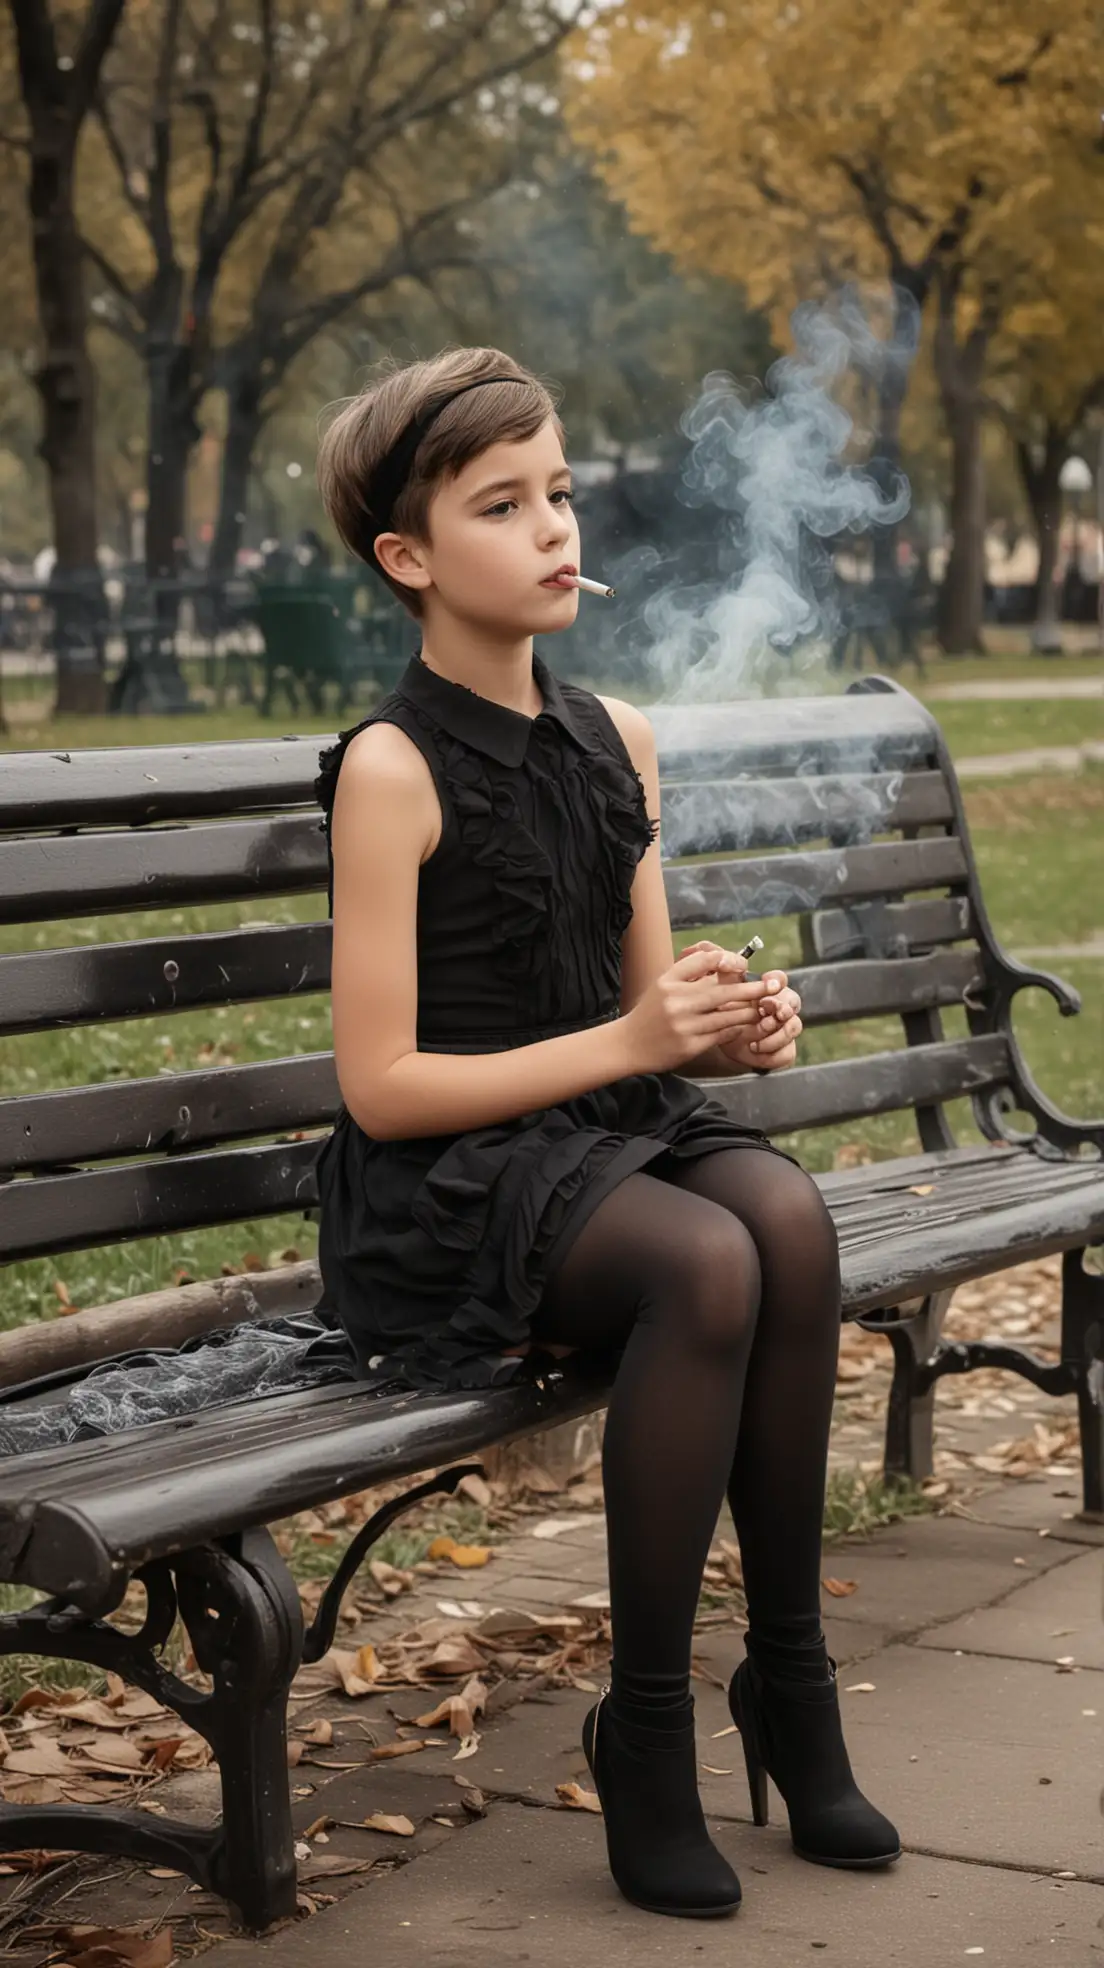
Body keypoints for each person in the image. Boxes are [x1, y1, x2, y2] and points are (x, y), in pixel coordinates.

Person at [312, 348, 899, 1921]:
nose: (556, 527)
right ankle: (645, 1732)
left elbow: (649, 1007)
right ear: (412, 560)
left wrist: (720, 1018)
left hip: (600, 1135)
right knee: (709, 1263)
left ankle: (789, 1682)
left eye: (560, 492)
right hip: (447, 1186)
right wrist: (638, 1044)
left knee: (788, 1218)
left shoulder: (615, 737)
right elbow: (379, 1084)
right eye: (503, 506)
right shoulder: (391, 770)